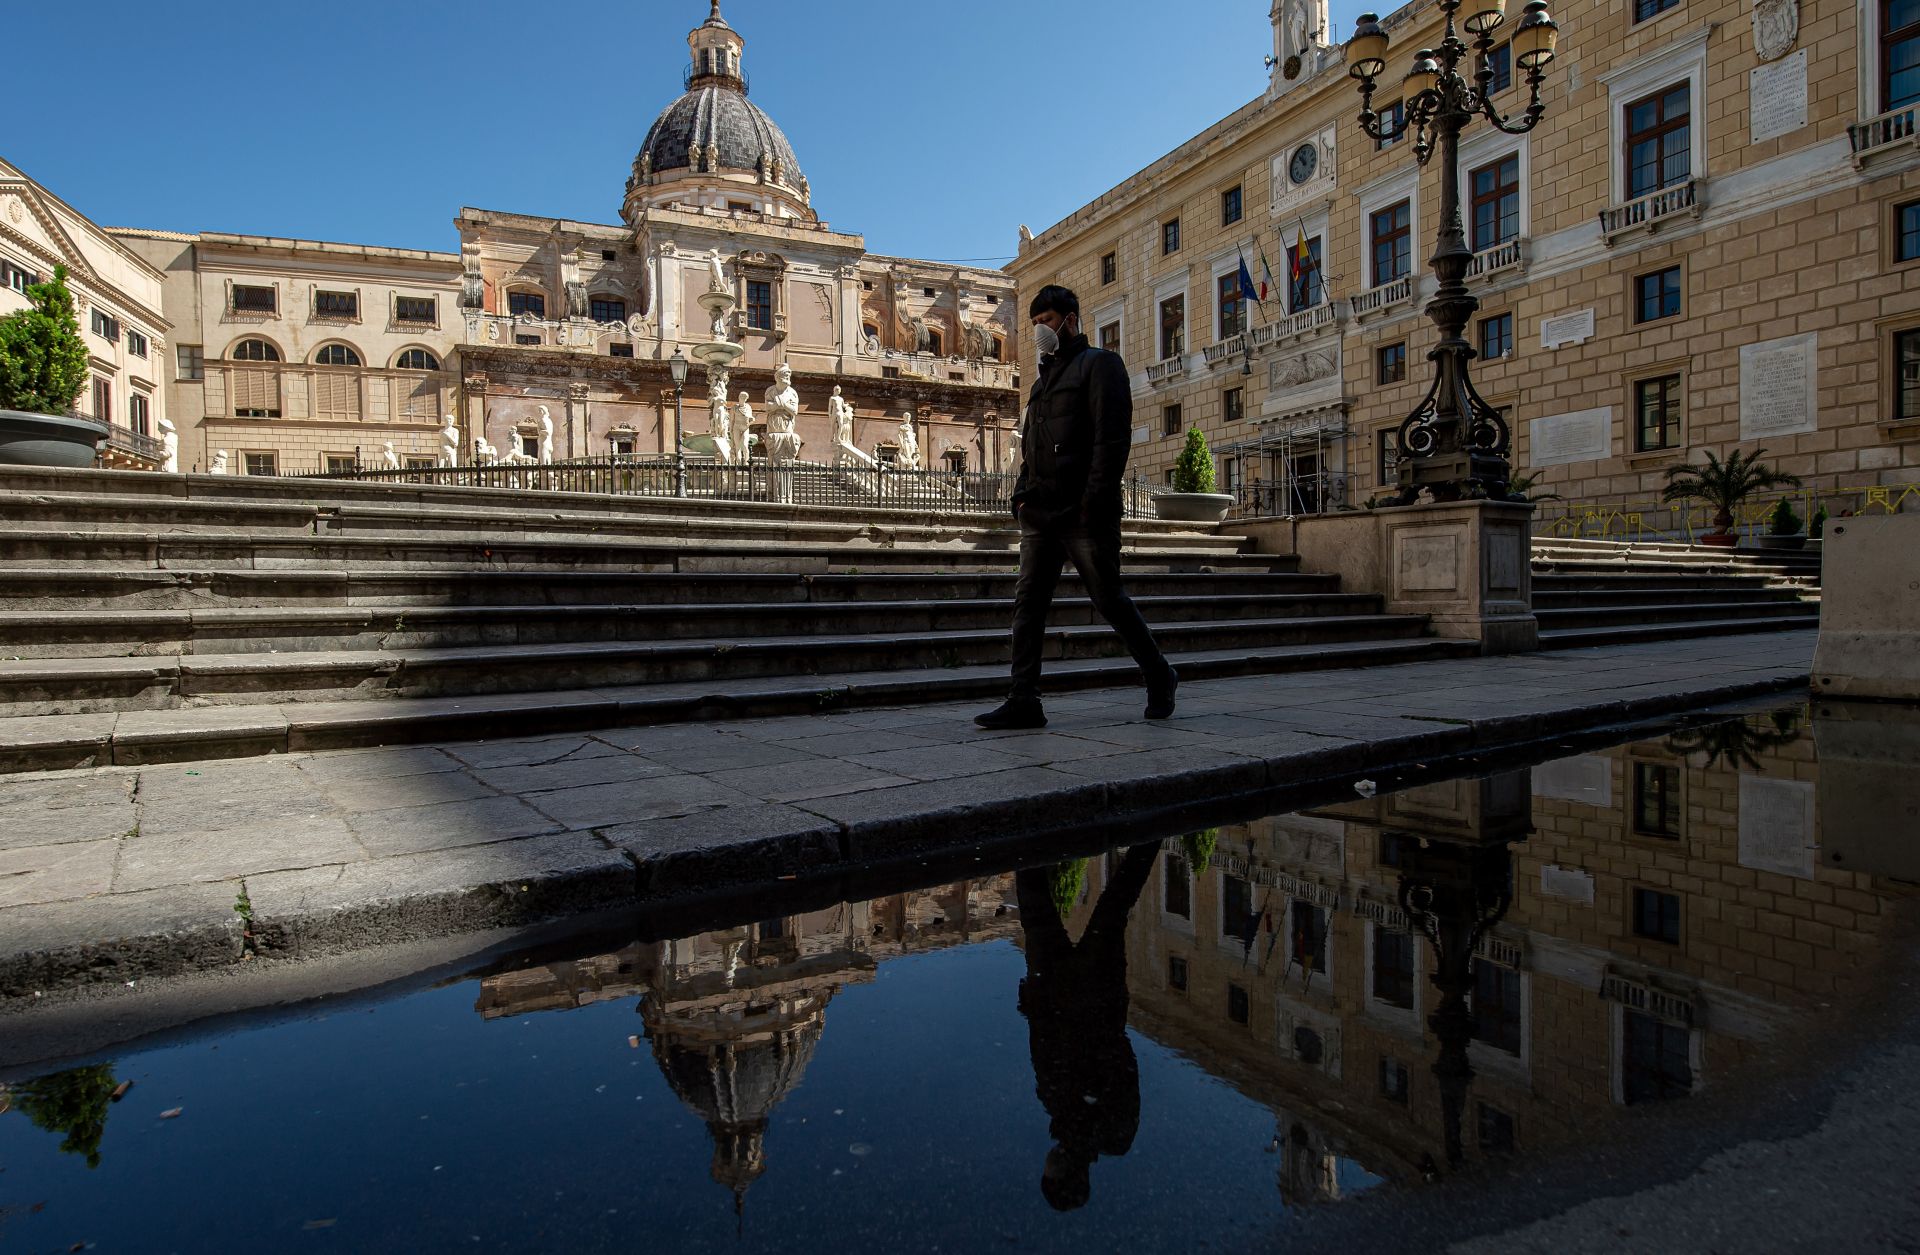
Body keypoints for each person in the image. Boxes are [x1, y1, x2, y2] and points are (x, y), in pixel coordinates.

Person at [976, 284, 1175, 730]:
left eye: (1046, 322)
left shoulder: (1101, 365)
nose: (1040, 332)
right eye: (1034, 325)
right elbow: (1032, 445)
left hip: (1085, 513)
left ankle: (1160, 673)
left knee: (1109, 600)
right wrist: (1021, 495)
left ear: (1070, 319)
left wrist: (1093, 503)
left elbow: (1112, 440)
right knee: (1028, 603)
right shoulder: (1040, 382)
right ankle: (1023, 698)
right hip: (1041, 513)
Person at [1014, 842, 1162, 1211]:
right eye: (1049, 1172)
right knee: (1106, 909)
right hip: (1086, 1003)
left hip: (1069, 999)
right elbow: (1118, 1066)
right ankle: (1154, 833)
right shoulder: (1109, 1134)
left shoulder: (1069, 1120)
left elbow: (1046, 1054)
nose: (1045, 1164)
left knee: (1101, 908)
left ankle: (1152, 836)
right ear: (1062, 1175)